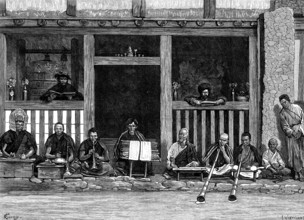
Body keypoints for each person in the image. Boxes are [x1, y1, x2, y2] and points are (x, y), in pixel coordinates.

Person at [0, 108, 43, 183]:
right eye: (17, 124)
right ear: (14, 123)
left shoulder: (27, 135)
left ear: (24, 124)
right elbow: (3, 150)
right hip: (10, 156)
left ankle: (32, 175)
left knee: (40, 158)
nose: (19, 126)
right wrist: (9, 155)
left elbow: (32, 149)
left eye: (21, 124)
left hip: (24, 156)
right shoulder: (8, 134)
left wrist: (26, 156)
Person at [279, 94, 304, 181]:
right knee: (295, 154)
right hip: (292, 134)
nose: (284, 105)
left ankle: (301, 172)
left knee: (301, 153)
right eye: (282, 103)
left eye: (285, 102)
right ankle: (298, 173)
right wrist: (292, 132)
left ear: (288, 101)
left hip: (300, 131)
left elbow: (303, 118)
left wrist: (300, 130)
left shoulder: (297, 108)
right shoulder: (282, 113)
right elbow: (284, 126)